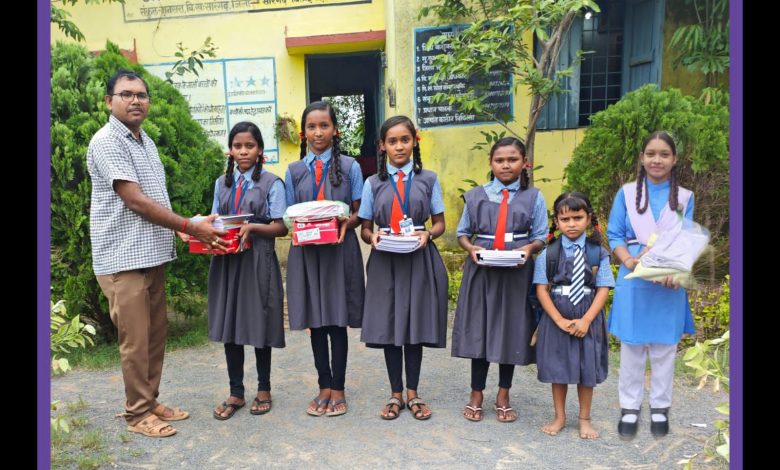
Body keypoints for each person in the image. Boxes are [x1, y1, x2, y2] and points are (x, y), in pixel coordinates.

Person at [87, 69, 227, 437]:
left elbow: (153, 198)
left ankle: (149, 401)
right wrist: (190, 227)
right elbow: (134, 200)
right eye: (126, 94)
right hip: (122, 258)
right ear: (109, 101)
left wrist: (182, 228)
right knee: (135, 342)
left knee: (153, 337)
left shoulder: (144, 141)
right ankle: (137, 415)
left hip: (151, 254)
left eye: (141, 95)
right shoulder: (107, 141)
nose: (136, 100)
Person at [451, 137, 547, 423]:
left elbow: (540, 236)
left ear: (524, 163)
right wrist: (471, 249)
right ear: (491, 163)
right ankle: (476, 394)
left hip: (517, 273)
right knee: (479, 330)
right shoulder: (475, 196)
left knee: (511, 331)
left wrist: (528, 249)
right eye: (500, 160)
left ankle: (503, 394)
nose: (506, 165)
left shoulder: (534, 197)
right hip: (482, 272)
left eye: (512, 160)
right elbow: (462, 233)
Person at [358, 116, 448, 420]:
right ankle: (395, 393)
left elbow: (439, 223)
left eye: (405, 140)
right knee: (389, 324)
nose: (399, 146)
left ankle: (413, 393)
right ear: (382, 146)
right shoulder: (373, 183)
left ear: (414, 142)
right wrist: (373, 237)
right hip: (385, 260)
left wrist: (428, 234)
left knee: (414, 324)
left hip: (418, 258)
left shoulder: (428, 179)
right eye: (392, 141)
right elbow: (365, 228)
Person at [607, 131, 695, 439]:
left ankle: (660, 408)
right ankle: (629, 408)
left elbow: (685, 240)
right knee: (632, 348)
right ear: (642, 158)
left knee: (664, 349)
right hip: (634, 277)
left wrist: (675, 271)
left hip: (668, 281)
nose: (657, 160)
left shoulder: (685, 197)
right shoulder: (626, 193)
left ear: (675, 159)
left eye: (664, 154)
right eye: (651, 154)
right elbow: (615, 235)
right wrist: (630, 262)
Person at [201, 122, 288, 420]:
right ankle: (236, 391)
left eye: (249, 146)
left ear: (260, 149)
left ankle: (264, 389)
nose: (243, 151)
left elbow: (281, 226)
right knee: (231, 323)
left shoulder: (272, 183)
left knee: (260, 321)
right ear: (230, 150)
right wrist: (200, 228)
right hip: (227, 260)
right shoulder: (221, 183)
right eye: (237, 146)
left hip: (258, 260)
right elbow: (215, 219)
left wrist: (252, 227)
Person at [284, 101, 365, 417]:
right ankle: (323, 387)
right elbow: (288, 215)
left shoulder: (350, 167)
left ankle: (339, 388)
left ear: (335, 130)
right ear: (303, 133)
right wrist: (297, 226)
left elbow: (360, 212)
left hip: (339, 251)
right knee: (315, 322)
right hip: (307, 254)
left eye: (324, 126)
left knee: (335, 320)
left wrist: (347, 222)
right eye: (312, 127)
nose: (318, 132)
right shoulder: (294, 171)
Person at [533, 192, 615, 439]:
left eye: (577, 218)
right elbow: (541, 290)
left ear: (588, 219)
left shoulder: (598, 253)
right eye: (565, 219)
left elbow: (603, 289)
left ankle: (584, 419)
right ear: (556, 222)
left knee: (586, 368)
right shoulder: (548, 254)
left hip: (588, 317)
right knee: (558, 368)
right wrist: (558, 320)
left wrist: (587, 320)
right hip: (557, 315)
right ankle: (559, 416)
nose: (571, 224)